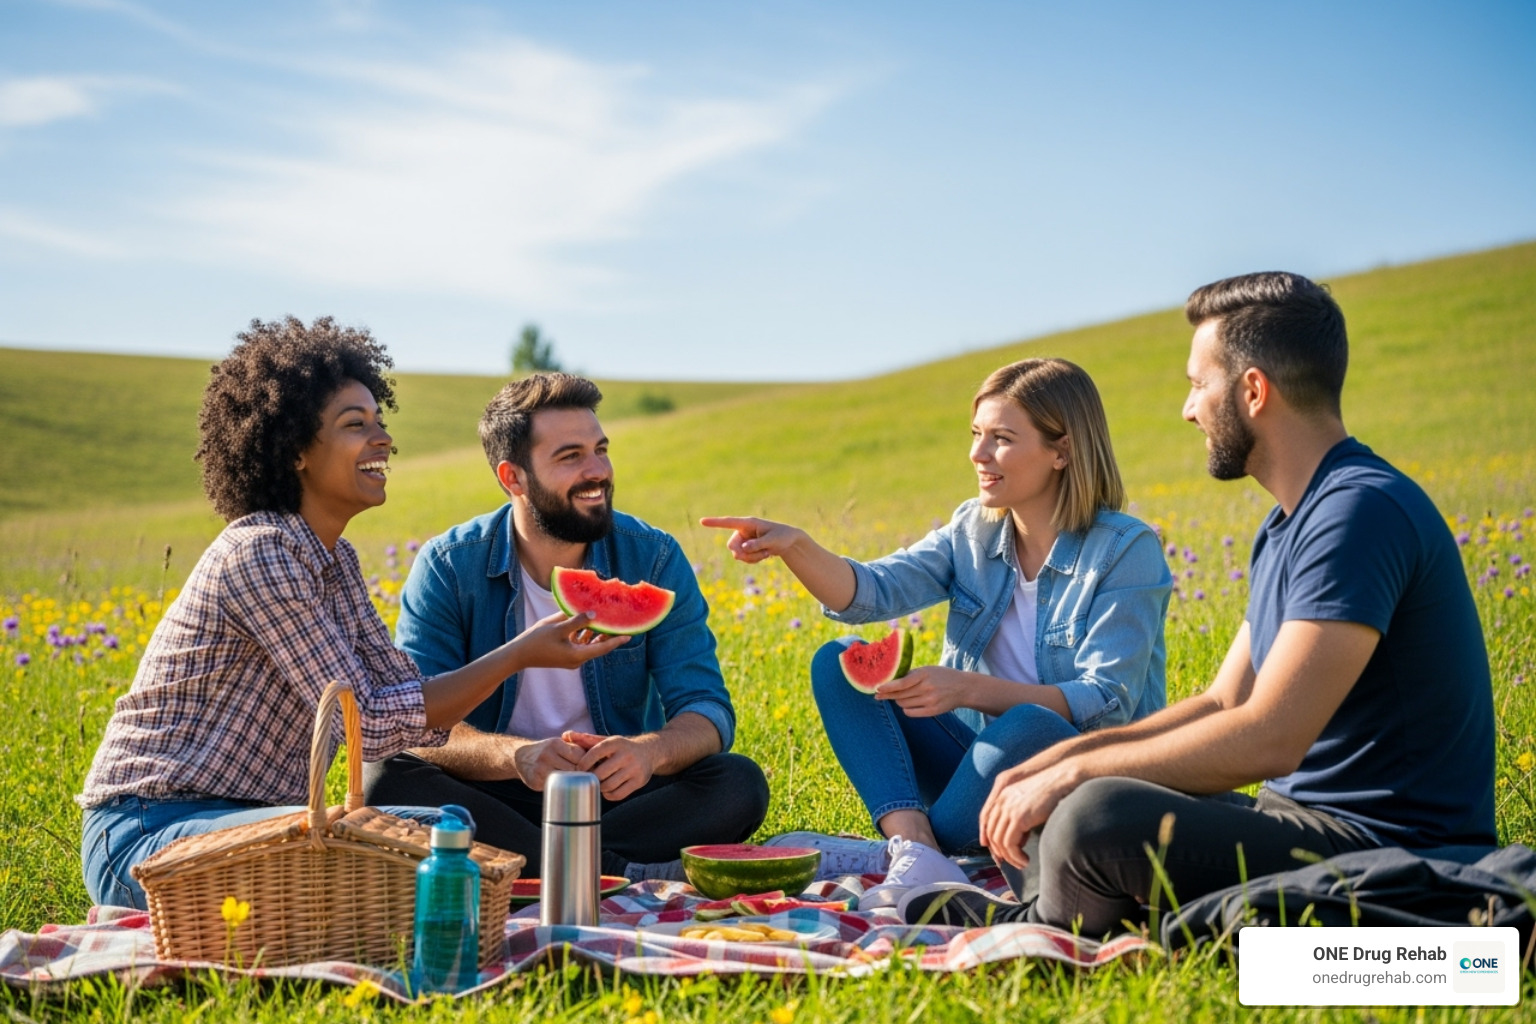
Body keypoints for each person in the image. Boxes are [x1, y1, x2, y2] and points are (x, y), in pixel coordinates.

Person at [902, 271, 1496, 933]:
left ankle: (1051, 922)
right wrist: (1058, 763)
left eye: (1197, 384)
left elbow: (1271, 738)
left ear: (1252, 390)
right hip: (1297, 823)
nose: (1188, 410)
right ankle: (1071, 914)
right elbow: (1221, 701)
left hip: (1388, 847)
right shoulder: (1289, 525)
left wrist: (1076, 777)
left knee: (1090, 818)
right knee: (1081, 801)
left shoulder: (1358, 513)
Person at [78, 318, 627, 910]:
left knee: (438, 827)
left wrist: (518, 659)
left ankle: (568, 882)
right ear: (295, 453)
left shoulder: (333, 560)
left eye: (380, 421)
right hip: (147, 832)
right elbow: (363, 720)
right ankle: (601, 878)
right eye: (355, 425)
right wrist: (518, 654)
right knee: (434, 846)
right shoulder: (260, 552)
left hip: (262, 822)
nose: (383, 439)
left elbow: (404, 700)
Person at [703, 358, 1171, 905]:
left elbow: (1108, 702)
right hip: (977, 769)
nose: (977, 455)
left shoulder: (1125, 549)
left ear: (1061, 451)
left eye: (1001, 438)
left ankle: (909, 852)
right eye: (976, 435)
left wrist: (970, 690)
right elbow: (871, 591)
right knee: (838, 662)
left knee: (1026, 726)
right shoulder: (973, 529)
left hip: (1078, 772)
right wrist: (795, 546)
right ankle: (915, 844)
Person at [363, 373, 769, 881]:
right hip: (494, 793)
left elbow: (707, 708)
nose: (598, 471)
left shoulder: (654, 557)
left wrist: (651, 752)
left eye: (600, 449)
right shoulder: (449, 565)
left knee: (738, 783)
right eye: (570, 456)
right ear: (513, 477)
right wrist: (518, 757)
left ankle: (528, 868)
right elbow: (416, 722)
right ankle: (611, 871)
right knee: (384, 777)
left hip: (615, 796)